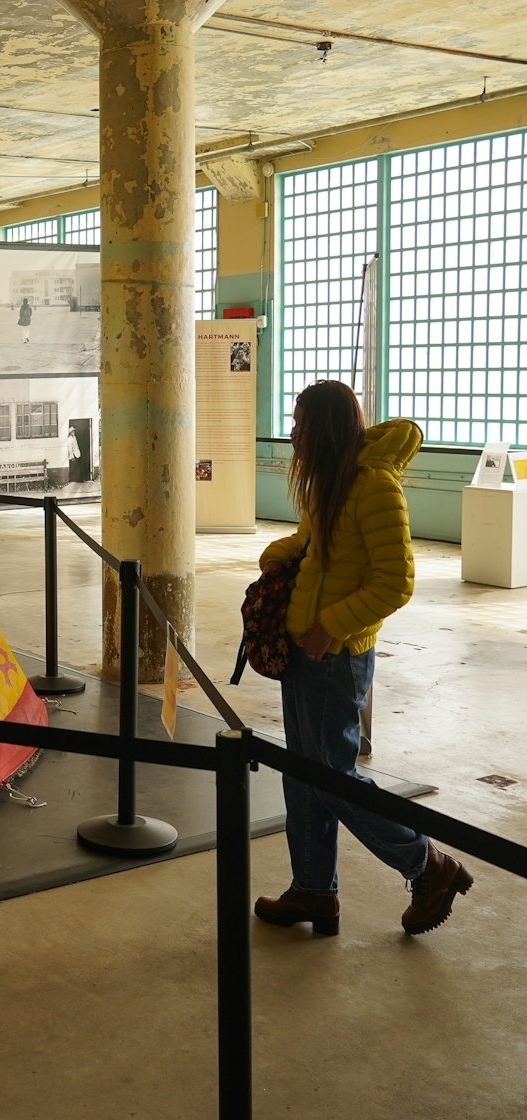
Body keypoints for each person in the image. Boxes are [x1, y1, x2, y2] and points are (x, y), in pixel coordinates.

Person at [253, 379, 472, 937]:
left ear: (324, 428)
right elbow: (313, 543)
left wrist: (331, 626)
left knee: (334, 779)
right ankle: (314, 891)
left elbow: (395, 581)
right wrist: (277, 556)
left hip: (336, 656)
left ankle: (429, 865)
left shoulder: (374, 485)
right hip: (304, 652)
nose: (294, 432)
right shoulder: (333, 483)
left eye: (301, 423)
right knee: (303, 778)